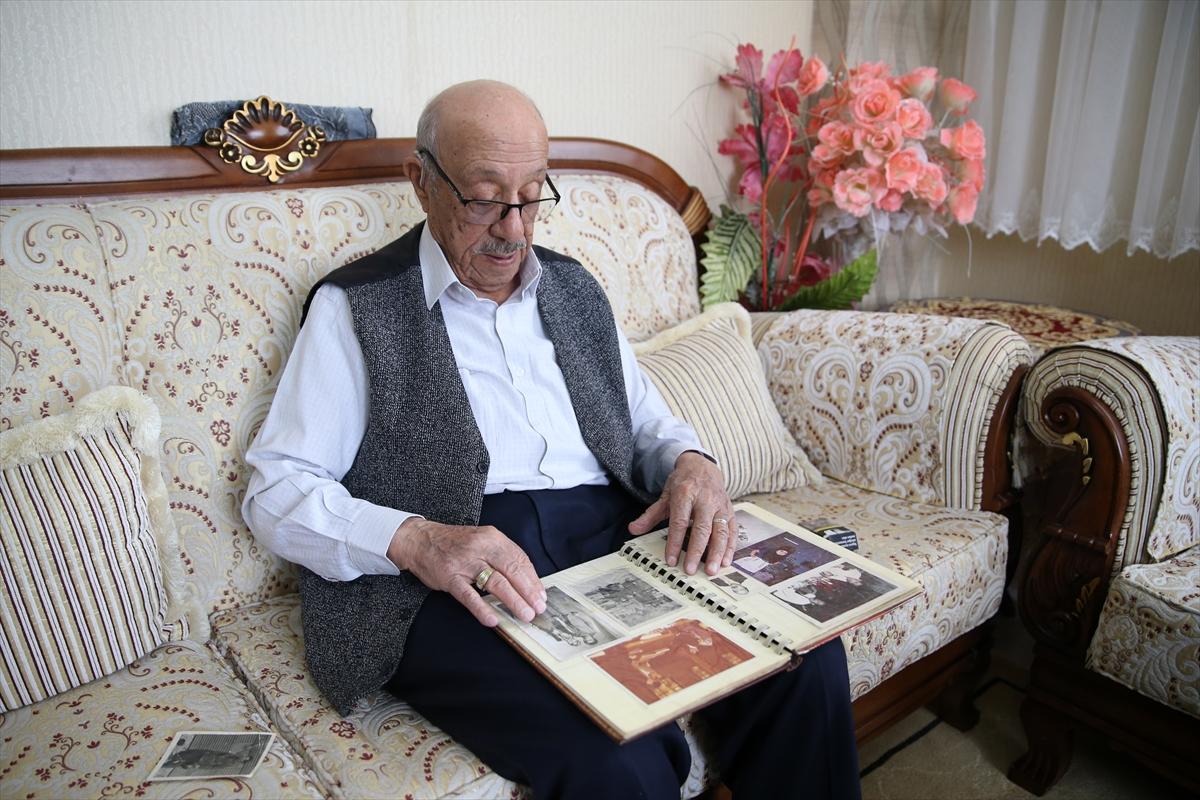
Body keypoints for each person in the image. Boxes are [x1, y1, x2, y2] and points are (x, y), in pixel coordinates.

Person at [243, 79, 860, 800]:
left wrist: (692, 463)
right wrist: (418, 540)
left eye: (532, 196)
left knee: (804, 659)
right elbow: (276, 489)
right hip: (452, 573)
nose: (513, 229)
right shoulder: (357, 306)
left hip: (611, 532)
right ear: (422, 180)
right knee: (617, 753)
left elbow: (647, 422)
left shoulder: (573, 287)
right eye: (483, 199)